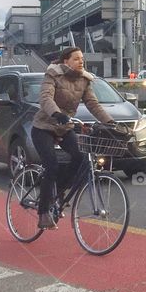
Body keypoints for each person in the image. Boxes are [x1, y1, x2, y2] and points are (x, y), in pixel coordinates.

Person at [31, 47, 115, 230]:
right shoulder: (53, 74)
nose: (81, 61)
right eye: (76, 59)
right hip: (44, 127)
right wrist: (56, 113)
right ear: (65, 61)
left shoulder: (84, 80)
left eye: (82, 58)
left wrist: (109, 122)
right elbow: (45, 98)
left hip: (65, 127)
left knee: (81, 158)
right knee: (51, 164)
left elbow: (93, 103)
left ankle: (59, 192)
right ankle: (43, 212)